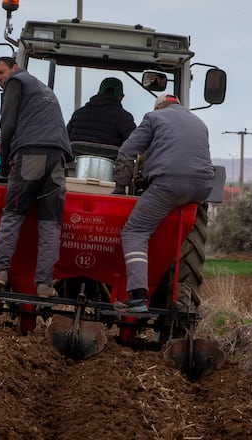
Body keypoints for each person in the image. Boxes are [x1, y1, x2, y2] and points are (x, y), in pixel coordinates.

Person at [112, 93, 214, 312]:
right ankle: (179, 299)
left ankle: (138, 296)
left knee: (135, 231)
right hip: (201, 188)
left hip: (169, 184)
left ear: (159, 108)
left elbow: (127, 151)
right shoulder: (199, 123)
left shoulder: (154, 118)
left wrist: (120, 188)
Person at [0, 56, 73, 299]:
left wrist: (4, 162)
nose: (0, 79)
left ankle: (0, 272)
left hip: (31, 155)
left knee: (13, 214)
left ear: (15, 68)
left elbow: (8, 123)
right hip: (57, 159)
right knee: (50, 223)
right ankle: (45, 285)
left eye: (1, 72)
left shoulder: (17, 82)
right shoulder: (43, 89)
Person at [66, 77, 136, 147]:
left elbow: (64, 138)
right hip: (111, 157)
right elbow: (134, 144)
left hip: (76, 157)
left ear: (98, 93)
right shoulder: (125, 118)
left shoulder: (78, 114)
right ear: (121, 97)